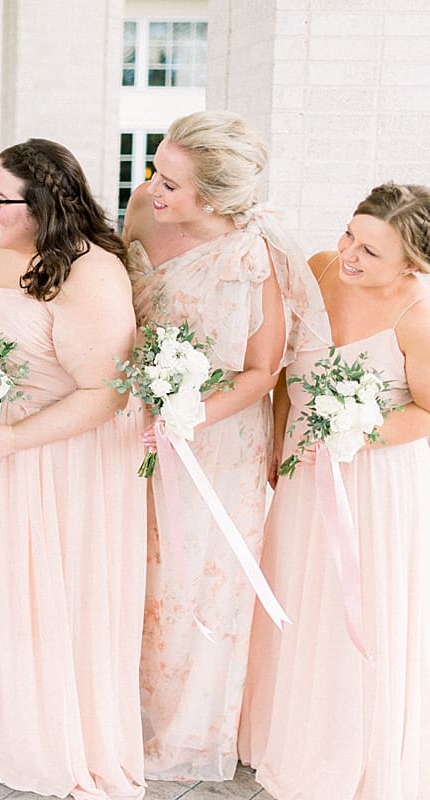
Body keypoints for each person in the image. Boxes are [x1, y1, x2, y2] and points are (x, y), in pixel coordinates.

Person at [0, 139, 147, 798]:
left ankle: (44, 727)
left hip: (51, 465)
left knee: (43, 594)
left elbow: (105, 393)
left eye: (0, 197)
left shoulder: (88, 273)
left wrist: (13, 438)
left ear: (46, 205)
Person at [124, 111, 330, 781]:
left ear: (211, 198)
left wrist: (187, 415)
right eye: (155, 168)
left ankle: (181, 734)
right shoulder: (139, 209)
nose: (154, 187)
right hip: (132, 429)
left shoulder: (253, 255)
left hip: (214, 440)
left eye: (172, 185)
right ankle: (115, 715)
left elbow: (261, 372)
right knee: (131, 576)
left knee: (193, 589)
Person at [240, 183, 430, 800]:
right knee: (297, 589)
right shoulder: (320, 269)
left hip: (371, 486)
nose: (348, 253)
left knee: (355, 612)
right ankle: (284, 730)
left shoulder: (420, 318)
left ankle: (346, 746)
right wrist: (275, 435)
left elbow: (426, 412)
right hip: (301, 465)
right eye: (351, 234)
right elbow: (283, 368)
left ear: (412, 263)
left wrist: (357, 432)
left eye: (370, 251)